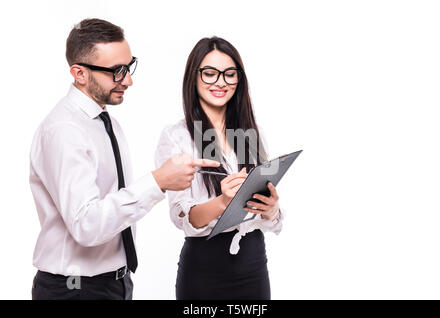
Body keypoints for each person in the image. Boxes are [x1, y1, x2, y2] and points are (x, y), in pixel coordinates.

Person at [29, 18, 219, 300]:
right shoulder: (64, 130)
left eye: (128, 67)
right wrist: (157, 182)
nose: (128, 80)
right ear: (79, 73)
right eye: (116, 71)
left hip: (113, 283)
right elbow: (86, 224)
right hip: (75, 289)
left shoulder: (104, 122)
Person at [155, 36, 283, 300]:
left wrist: (272, 210)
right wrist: (223, 202)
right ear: (194, 77)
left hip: (253, 265)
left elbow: (265, 215)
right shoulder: (179, 136)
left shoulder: (249, 132)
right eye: (210, 73)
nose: (221, 82)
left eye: (229, 74)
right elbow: (183, 218)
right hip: (205, 268)